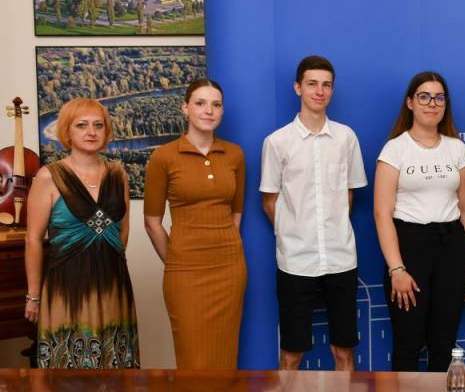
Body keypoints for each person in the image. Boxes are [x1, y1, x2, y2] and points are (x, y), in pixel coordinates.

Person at [260, 56, 367, 371]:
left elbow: (349, 193)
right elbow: (269, 200)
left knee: (343, 351)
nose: (319, 91)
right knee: (292, 353)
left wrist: (333, 227)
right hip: (295, 260)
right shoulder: (277, 142)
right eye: (312, 84)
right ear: (298, 87)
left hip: (340, 257)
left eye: (326, 85)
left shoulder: (346, 138)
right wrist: (292, 232)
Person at [373, 71, 465, 371]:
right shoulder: (395, 149)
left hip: (452, 247)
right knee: (407, 343)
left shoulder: (456, 149)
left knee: (444, 344)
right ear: (410, 103)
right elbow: (382, 213)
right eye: (424, 97)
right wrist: (396, 269)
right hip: (409, 248)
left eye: (439, 98)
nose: (432, 103)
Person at [24, 99, 139, 369]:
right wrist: (33, 296)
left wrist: (107, 262)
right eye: (82, 125)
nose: (91, 132)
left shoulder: (118, 174)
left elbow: (123, 229)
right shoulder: (49, 176)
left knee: (115, 366)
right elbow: (33, 239)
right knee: (69, 372)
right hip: (67, 287)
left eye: (98, 125)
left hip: (113, 285)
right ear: (67, 131)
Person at [144, 79, 246, 369]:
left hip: (229, 269)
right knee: (192, 359)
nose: (208, 110)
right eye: (200, 103)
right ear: (185, 108)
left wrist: (226, 246)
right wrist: (177, 260)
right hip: (185, 271)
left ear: (222, 111)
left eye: (216, 104)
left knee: (225, 356)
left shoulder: (235, 154)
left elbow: (236, 212)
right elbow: (151, 222)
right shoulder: (164, 156)